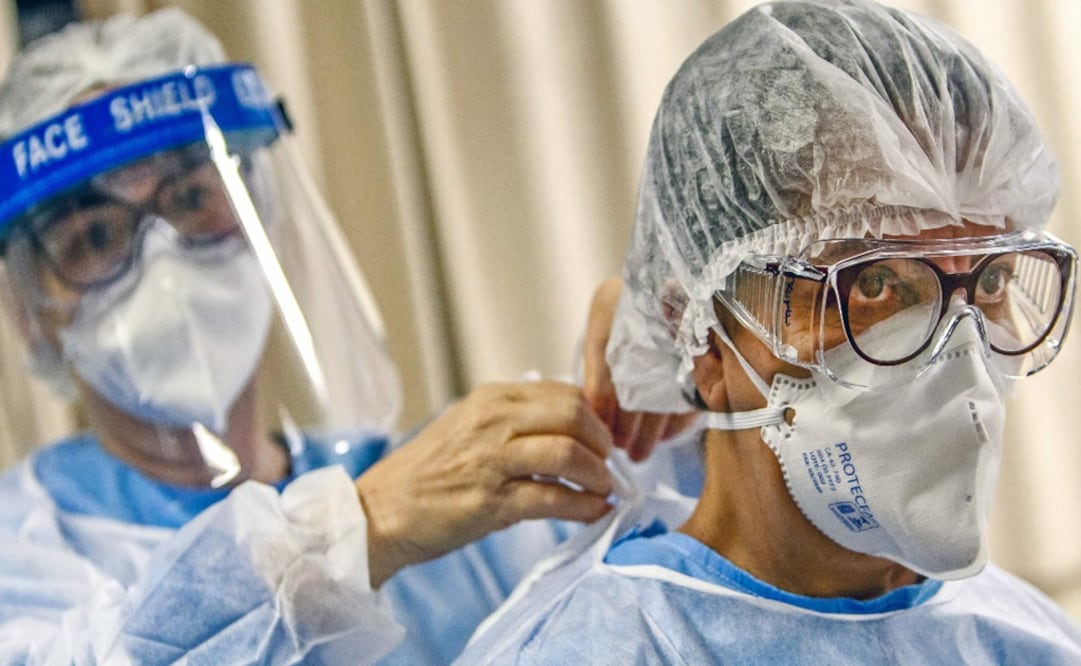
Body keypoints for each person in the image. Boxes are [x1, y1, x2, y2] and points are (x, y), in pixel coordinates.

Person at [0, 8, 679, 664]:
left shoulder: (446, 493)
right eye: (94, 236)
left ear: (260, 209)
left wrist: (672, 385)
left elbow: (678, 578)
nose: (164, 260)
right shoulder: (25, 548)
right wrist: (356, 532)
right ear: (29, 308)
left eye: (190, 199)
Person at [457, 0, 1081, 662]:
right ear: (701, 337)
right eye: (875, 285)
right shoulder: (604, 648)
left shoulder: (1025, 638)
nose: (960, 355)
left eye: (989, 282)